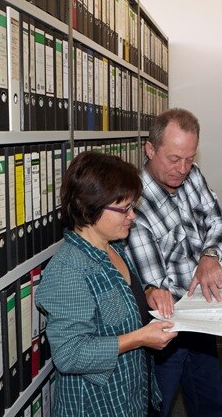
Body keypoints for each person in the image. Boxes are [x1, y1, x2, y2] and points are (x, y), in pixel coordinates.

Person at [35, 151, 178, 416]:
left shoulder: (114, 248)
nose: (133, 216)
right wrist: (139, 339)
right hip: (97, 405)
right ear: (90, 207)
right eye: (124, 209)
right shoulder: (69, 270)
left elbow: (120, 298)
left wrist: (147, 294)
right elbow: (69, 353)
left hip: (131, 395)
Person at [126, 108, 222, 416]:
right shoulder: (134, 202)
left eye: (190, 159)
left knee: (211, 404)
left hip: (202, 320)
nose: (183, 169)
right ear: (150, 149)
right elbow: (156, 284)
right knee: (156, 408)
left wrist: (210, 255)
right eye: (174, 159)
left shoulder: (192, 176)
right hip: (165, 329)